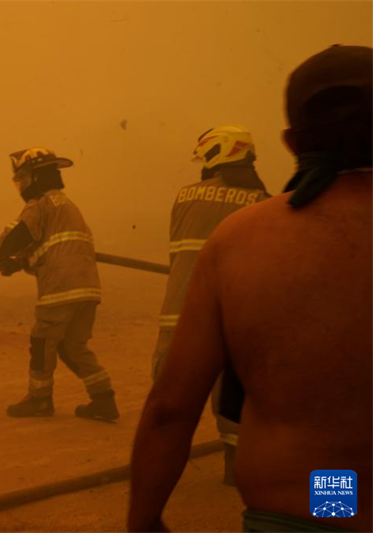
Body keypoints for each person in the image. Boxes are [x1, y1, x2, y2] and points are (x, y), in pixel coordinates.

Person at [128, 44, 372, 532]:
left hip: (318, 502)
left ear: (292, 141)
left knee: (335, 496)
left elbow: (170, 410)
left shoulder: (245, 239)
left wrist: (145, 521)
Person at [151, 125, 270, 485]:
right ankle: (234, 472)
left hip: (181, 315)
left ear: (215, 156)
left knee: (169, 400)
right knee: (236, 399)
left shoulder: (186, 196)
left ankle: (160, 476)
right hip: (234, 319)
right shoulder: (263, 202)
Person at [0, 147, 118, 421]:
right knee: (72, 346)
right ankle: (104, 399)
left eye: (24, 179)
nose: (22, 186)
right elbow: (50, 250)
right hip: (87, 288)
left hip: (60, 289)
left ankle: (39, 400)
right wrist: (19, 264)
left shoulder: (40, 205)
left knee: (42, 342)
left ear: (36, 178)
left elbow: (17, 237)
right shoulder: (66, 207)